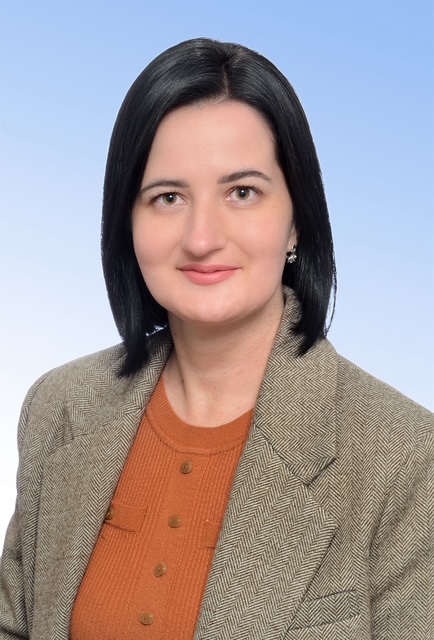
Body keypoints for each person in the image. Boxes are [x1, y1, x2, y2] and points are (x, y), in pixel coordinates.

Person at [0, 37, 432, 640]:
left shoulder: (404, 458)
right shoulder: (59, 407)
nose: (202, 238)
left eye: (242, 192)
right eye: (168, 198)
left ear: (297, 220)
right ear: (128, 222)